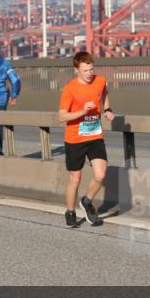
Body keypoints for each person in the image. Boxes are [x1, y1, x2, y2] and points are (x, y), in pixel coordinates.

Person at [58, 51, 114, 228]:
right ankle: (70, 212)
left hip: (95, 136)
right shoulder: (70, 88)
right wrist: (82, 111)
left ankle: (87, 201)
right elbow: (61, 117)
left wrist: (107, 109)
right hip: (75, 138)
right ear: (76, 70)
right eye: (85, 70)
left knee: (100, 174)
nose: (89, 73)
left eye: (91, 69)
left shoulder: (100, 81)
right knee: (75, 178)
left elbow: (104, 93)